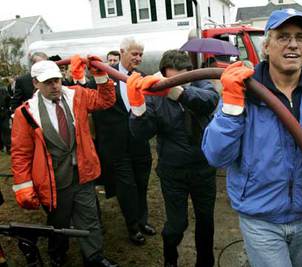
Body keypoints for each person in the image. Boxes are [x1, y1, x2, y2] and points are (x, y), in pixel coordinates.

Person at [201, 9, 302, 267]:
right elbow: (216, 155)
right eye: (283, 36)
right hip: (260, 218)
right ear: (266, 46)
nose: (292, 44)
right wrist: (232, 107)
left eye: (300, 37)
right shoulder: (243, 91)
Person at [11, 58, 118, 267]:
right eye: (48, 82)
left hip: (83, 174)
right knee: (58, 222)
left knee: (90, 218)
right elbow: (21, 153)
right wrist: (24, 186)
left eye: (57, 80)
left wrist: (100, 76)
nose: (54, 86)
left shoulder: (76, 95)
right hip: (52, 181)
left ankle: (94, 257)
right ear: (35, 83)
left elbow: (105, 100)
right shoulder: (25, 112)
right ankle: (58, 253)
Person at [128, 50, 219, 267]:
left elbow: (210, 100)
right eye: (173, 78)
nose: (182, 83)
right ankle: (170, 258)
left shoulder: (200, 84)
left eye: (185, 78)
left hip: (203, 169)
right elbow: (143, 133)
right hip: (173, 173)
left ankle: (205, 262)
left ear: (190, 73)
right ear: (163, 75)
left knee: (205, 221)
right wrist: (138, 109)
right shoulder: (154, 96)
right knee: (177, 224)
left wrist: (179, 92)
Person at [92, 37, 155, 246]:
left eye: (141, 54)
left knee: (141, 184)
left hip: (140, 145)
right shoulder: (105, 77)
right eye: (134, 54)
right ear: (122, 52)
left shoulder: (144, 79)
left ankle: (142, 220)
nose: (138, 58)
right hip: (117, 147)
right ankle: (133, 227)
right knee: (126, 188)